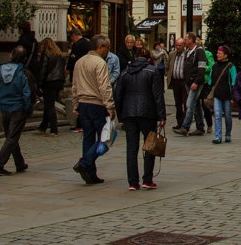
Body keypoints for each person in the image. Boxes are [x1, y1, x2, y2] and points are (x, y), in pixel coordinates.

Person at [114, 45, 166, 190]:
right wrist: (161, 115)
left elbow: (117, 95)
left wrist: (121, 116)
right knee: (149, 146)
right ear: (149, 59)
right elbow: (158, 95)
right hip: (147, 112)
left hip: (129, 113)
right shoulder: (152, 71)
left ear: (135, 58)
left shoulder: (125, 73)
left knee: (131, 148)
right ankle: (147, 179)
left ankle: (132, 182)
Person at [71, 34, 116, 185]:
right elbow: (105, 86)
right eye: (107, 48)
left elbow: (74, 85)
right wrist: (110, 106)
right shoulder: (100, 63)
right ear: (99, 47)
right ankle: (84, 163)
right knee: (105, 138)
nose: (108, 51)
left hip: (83, 103)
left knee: (88, 138)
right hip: (97, 104)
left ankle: (90, 173)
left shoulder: (79, 62)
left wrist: (76, 103)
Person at [0, 46, 34, 175]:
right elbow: (26, 94)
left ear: (10, 56)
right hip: (18, 108)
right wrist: (28, 109)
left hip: (3, 107)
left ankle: (20, 163)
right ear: (24, 59)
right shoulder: (23, 73)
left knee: (11, 136)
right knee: (12, 138)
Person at [174, 32, 208, 136]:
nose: (184, 41)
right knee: (196, 104)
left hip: (195, 83)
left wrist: (196, 82)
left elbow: (202, 68)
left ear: (191, 40)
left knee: (189, 104)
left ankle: (185, 127)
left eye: (186, 39)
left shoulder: (199, 51)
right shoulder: (188, 51)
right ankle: (200, 127)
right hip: (188, 82)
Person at [36, 36, 66, 135]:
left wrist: (40, 84)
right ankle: (43, 125)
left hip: (49, 82)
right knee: (49, 104)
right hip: (59, 82)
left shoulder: (46, 54)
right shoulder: (60, 55)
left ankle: (54, 128)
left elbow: (43, 70)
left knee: (49, 106)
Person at [209, 45, 236, 144]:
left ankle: (228, 134)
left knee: (228, 116)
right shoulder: (214, 66)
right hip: (217, 95)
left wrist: (233, 95)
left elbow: (234, 81)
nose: (217, 55)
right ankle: (218, 136)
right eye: (217, 53)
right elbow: (210, 81)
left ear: (225, 55)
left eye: (219, 53)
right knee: (217, 115)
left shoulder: (231, 67)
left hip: (227, 95)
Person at [166, 36, 187, 127]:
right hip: (175, 81)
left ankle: (186, 123)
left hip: (184, 82)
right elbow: (167, 66)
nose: (178, 47)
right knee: (177, 103)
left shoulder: (187, 54)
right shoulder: (172, 54)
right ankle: (179, 122)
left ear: (184, 46)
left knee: (186, 103)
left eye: (180, 45)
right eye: (176, 45)